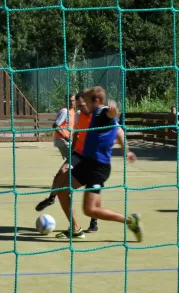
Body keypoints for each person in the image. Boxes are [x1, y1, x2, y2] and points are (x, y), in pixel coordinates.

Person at [52, 86, 143, 241]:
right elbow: (119, 131)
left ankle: (130, 221)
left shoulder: (101, 113)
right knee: (62, 190)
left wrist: (113, 111)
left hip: (98, 168)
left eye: (86, 101)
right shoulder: (94, 113)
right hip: (87, 163)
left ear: (97, 101)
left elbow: (109, 115)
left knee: (90, 210)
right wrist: (126, 150)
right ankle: (75, 229)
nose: (83, 105)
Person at [36, 91, 97, 233]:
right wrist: (73, 149)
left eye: (79, 102)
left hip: (94, 158)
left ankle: (94, 221)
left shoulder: (98, 116)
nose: (76, 104)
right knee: (62, 171)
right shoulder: (77, 115)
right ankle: (51, 198)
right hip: (78, 153)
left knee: (92, 189)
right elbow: (75, 133)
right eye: (76, 101)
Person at [53, 94, 76, 160]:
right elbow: (55, 126)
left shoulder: (73, 110)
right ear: (66, 101)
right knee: (72, 160)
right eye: (70, 101)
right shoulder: (65, 111)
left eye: (73, 101)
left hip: (69, 140)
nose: (72, 102)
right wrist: (65, 137)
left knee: (72, 161)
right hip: (63, 140)